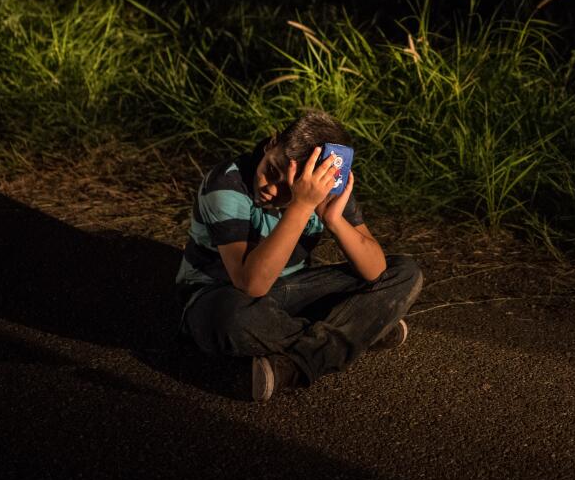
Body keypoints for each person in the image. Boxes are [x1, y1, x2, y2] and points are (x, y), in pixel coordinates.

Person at [175, 109, 423, 402]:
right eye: (270, 170)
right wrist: (300, 206)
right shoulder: (225, 185)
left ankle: (298, 360)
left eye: (287, 187)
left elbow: (376, 270)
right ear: (271, 144)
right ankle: (358, 333)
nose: (270, 187)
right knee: (228, 319)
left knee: (404, 272)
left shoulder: (322, 187)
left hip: (290, 293)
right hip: (218, 294)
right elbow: (251, 284)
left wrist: (333, 220)